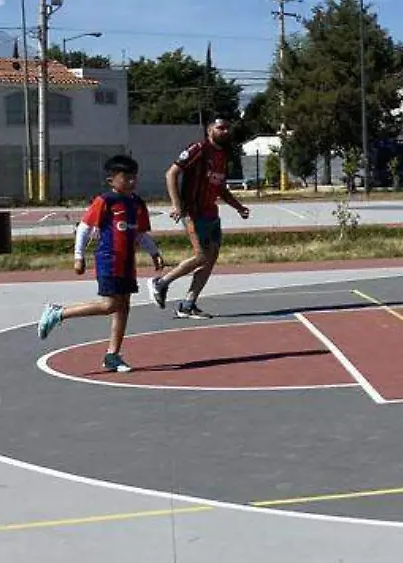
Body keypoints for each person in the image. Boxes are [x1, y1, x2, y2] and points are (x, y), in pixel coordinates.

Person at [37, 154, 165, 373]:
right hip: (109, 260)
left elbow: (141, 233)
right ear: (111, 180)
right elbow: (85, 228)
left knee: (123, 307)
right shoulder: (105, 201)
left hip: (127, 263)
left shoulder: (137, 203)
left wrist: (155, 253)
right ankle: (58, 313)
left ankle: (113, 355)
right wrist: (79, 256)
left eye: (134, 177)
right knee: (110, 305)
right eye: (126, 177)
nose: (132, 182)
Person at [151, 115, 250, 320]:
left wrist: (239, 207)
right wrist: (177, 205)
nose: (225, 131)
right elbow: (171, 173)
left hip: (211, 213)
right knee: (201, 256)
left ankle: (188, 304)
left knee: (210, 259)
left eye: (227, 128)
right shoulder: (198, 149)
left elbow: (220, 187)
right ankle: (161, 282)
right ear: (209, 130)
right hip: (193, 213)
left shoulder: (223, 155)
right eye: (220, 127)